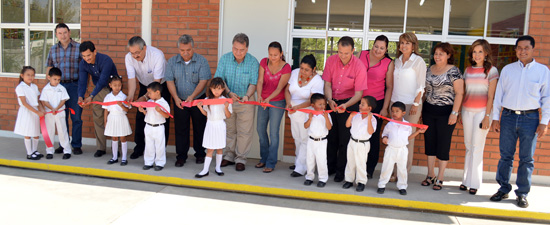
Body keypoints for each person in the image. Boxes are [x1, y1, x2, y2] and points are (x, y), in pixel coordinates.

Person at [490, 35, 550, 208]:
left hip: (530, 119)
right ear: (515, 50)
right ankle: (503, 188)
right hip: (508, 117)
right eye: (519, 48)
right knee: (505, 156)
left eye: (526, 48)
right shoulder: (508, 69)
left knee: (527, 158)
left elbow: (547, 98)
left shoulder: (542, 71)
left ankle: (522, 193)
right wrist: (495, 118)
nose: (522, 51)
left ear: (532, 49)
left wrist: (544, 122)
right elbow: (498, 96)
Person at [323, 36, 368, 182]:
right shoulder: (331, 61)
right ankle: (329, 167)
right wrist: (329, 100)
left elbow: (359, 94)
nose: (342, 56)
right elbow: (327, 84)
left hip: (349, 104)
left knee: (344, 140)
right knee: (331, 137)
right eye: (340, 52)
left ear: (353, 51)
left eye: (346, 53)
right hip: (332, 102)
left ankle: (340, 171)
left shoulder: (359, 66)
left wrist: (346, 105)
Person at [421, 42, 464, 191]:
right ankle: (430, 174)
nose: (437, 56)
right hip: (428, 111)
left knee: (443, 145)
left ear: (448, 55)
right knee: (430, 143)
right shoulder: (429, 69)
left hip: (446, 113)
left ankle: (440, 177)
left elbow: (459, 93)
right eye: (436, 53)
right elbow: (424, 91)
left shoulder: (454, 71)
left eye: (441, 54)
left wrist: (455, 113)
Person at [216, 33, 260, 171]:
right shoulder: (225, 59)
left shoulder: (253, 62)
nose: (238, 52)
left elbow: (253, 83)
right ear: (232, 46)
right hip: (228, 100)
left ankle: (241, 158)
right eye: (235, 49)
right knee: (229, 129)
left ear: (247, 49)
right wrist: (228, 92)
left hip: (246, 101)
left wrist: (247, 95)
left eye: (241, 50)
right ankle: (229, 155)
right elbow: (219, 79)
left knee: (244, 131)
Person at [460, 39, 499, 195]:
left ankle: (474, 183)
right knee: (469, 146)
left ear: (486, 53)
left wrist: (487, 116)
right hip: (467, 111)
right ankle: (465, 180)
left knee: (477, 147)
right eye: (474, 52)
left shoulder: (491, 71)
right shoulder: (468, 70)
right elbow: (464, 93)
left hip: (482, 112)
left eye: (480, 52)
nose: (477, 55)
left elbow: (491, 97)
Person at [165, 34, 210, 167]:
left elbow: (204, 81)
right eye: (182, 50)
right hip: (180, 100)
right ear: (178, 49)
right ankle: (181, 156)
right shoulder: (172, 62)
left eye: (188, 50)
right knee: (181, 128)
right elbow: (169, 81)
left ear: (193, 48)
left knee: (199, 127)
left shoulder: (202, 61)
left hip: (198, 100)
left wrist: (193, 96)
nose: (185, 53)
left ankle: (200, 154)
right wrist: (176, 98)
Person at [125, 36, 170, 160]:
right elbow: (131, 79)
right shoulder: (129, 57)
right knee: (140, 116)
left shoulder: (157, 55)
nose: (135, 56)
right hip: (144, 84)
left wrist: (145, 97)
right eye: (132, 53)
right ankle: (139, 147)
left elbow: (156, 83)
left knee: (161, 116)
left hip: (160, 86)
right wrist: (130, 96)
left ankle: (160, 152)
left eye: (137, 53)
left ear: (144, 48)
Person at [389, 32, 427, 181]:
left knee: (407, 139)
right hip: (395, 103)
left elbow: (421, 85)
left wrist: (416, 103)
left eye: (407, 43)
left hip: (412, 105)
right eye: (402, 43)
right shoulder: (396, 61)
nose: (404, 46)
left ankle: (403, 173)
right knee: (394, 137)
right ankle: (393, 172)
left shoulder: (418, 61)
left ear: (413, 46)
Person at [359, 35, 394, 179]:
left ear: (386, 50)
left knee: (372, 136)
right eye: (376, 46)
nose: (378, 50)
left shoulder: (388, 63)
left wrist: (385, 108)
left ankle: (369, 169)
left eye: (381, 48)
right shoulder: (361, 54)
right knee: (357, 133)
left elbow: (390, 87)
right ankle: (357, 165)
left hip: (376, 103)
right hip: (358, 101)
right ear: (372, 45)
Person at [46, 23, 83, 155]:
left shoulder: (79, 48)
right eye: (60, 33)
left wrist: (82, 89)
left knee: (76, 116)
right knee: (61, 117)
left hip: (74, 86)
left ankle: (76, 145)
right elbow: (49, 67)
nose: (63, 35)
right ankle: (64, 144)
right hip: (58, 88)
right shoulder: (53, 49)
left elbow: (84, 70)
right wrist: (49, 87)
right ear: (56, 35)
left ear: (69, 32)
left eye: (65, 32)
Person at [255, 41, 291, 173]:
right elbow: (260, 80)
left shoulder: (286, 68)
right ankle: (263, 158)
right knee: (260, 129)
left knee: (273, 132)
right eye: (270, 54)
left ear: (281, 54)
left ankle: (271, 162)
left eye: (275, 55)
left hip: (277, 101)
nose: (273, 57)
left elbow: (280, 87)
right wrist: (259, 96)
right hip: (263, 100)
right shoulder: (264, 62)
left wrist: (268, 99)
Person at [285, 54, 324, 177]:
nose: (303, 71)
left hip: (306, 113)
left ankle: (302, 167)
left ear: (313, 69)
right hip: (293, 112)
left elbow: (313, 100)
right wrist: (288, 104)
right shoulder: (295, 72)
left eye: (307, 69)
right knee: (296, 138)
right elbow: (287, 90)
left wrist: (297, 107)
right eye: (302, 68)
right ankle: (298, 162)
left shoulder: (317, 81)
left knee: (304, 139)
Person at [78, 41, 119, 157]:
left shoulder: (106, 60)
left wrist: (91, 96)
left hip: (112, 89)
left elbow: (103, 80)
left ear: (95, 52)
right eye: (84, 56)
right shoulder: (83, 64)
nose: (86, 58)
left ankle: (117, 148)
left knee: (115, 117)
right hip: (99, 91)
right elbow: (82, 81)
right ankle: (101, 148)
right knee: (98, 117)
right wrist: (80, 96)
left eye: (89, 55)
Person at [377, 101, 426, 195]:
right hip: (391, 149)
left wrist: (418, 132)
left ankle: (402, 186)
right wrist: (385, 138)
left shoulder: (407, 125)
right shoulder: (389, 124)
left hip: (402, 150)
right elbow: (384, 134)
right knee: (387, 168)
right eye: (392, 111)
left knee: (402, 169)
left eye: (397, 111)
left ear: (403, 113)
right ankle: (382, 185)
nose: (394, 113)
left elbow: (408, 138)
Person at [195, 78, 233, 178]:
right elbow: (206, 114)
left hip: (220, 125)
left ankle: (218, 168)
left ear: (223, 89)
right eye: (214, 88)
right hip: (210, 125)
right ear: (210, 89)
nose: (216, 91)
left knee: (219, 148)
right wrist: (199, 108)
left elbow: (228, 116)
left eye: (219, 88)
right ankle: (205, 170)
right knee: (210, 148)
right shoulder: (207, 100)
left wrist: (225, 107)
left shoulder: (225, 100)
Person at [342, 96, 377, 192]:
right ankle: (349, 180)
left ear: (369, 108)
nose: (360, 106)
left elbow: (370, 132)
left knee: (361, 163)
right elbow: (347, 125)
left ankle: (361, 182)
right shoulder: (356, 116)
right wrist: (350, 116)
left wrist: (369, 119)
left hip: (362, 144)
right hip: (352, 141)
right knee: (350, 161)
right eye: (360, 103)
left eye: (363, 104)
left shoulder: (373, 119)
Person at [40, 67, 72, 159]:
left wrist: (57, 108)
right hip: (49, 113)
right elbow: (44, 101)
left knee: (62, 131)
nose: (57, 81)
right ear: (49, 77)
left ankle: (66, 150)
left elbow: (63, 100)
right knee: (49, 131)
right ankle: (49, 151)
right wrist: (52, 108)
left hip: (59, 112)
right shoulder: (45, 89)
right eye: (55, 79)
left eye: (58, 79)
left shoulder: (62, 88)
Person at [139, 82, 171, 171]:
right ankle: (148, 162)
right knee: (149, 145)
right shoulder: (149, 102)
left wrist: (160, 111)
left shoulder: (163, 103)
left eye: (150, 93)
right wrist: (143, 111)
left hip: (159, 127)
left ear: (157, 92)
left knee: (159, 145)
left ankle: (160, 163)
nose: (148, 95)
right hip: (148, 126)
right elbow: (148, 114)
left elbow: (167, 116)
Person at [14, 66, 44, 160]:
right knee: (28, 132)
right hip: (27, 111)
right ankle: (29, 153)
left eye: (32, 75)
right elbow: (24, 103)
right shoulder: (20, 87)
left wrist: (41, 109)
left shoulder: (34, 86)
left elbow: (38, 100)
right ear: (22, 75)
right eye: (28, 75)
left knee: (35, 132)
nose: (30, 77)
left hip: (35, 111)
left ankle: (35, 150)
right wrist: (36, 112)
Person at [304, 93, 333, 188]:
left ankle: (322, 178)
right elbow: (305, 126)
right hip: (311, 140)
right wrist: (310, 119)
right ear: (313, 105)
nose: (322, 106)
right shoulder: (310, 113)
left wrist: (326, 118)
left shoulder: (326, 114)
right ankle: (309, 177)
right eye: (320, 104)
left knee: (321, 160)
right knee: (310, 160)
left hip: (321, 141)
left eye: (324, 104)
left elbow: (329, 127)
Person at [103, 75, 132, 166]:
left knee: (122, 137)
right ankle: (114, 157)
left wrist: (122, 105)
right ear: (110, 85)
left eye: (119, 85)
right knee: (114, 137)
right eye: (115, 85)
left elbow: (127, 110)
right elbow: (105, 110)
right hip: (112, 118)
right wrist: (105, 121)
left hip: (121, 118)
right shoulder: (108, 97)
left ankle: (124, 158)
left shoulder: (123, 96)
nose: (117, 87)